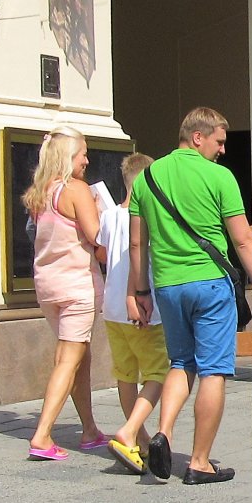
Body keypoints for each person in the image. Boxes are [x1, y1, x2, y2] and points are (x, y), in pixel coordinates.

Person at [129, 107, 252, 484]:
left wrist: (140, 290)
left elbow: (137, 243)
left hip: (167, 285)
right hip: (211, 283)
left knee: (180, 362)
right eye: (219, 141)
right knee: (213, 370)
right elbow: (243, 238)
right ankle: (199, 461)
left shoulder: (147, 177)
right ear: (198, 137)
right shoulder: (219, 177)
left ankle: (163, 433)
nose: (223, 150)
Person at [23, 126, 108, 460]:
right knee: (69, 358)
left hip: (48, 285)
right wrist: (103, 213)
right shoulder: (76, 190)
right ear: (68, 157)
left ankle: (89, 429)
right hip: (77, 285)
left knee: (78, 356)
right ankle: (42, 435)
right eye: (83, 153)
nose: (87, 160)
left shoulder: (40, 193)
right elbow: (97, 238)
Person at [97, 153, 169, 475]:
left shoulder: (109, 215)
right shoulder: (146, 216)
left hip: (112, 307)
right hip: (143, 305)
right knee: (159, 374)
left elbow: (102, 249)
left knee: (125, 375)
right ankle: (129, 431)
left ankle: (138, 440)